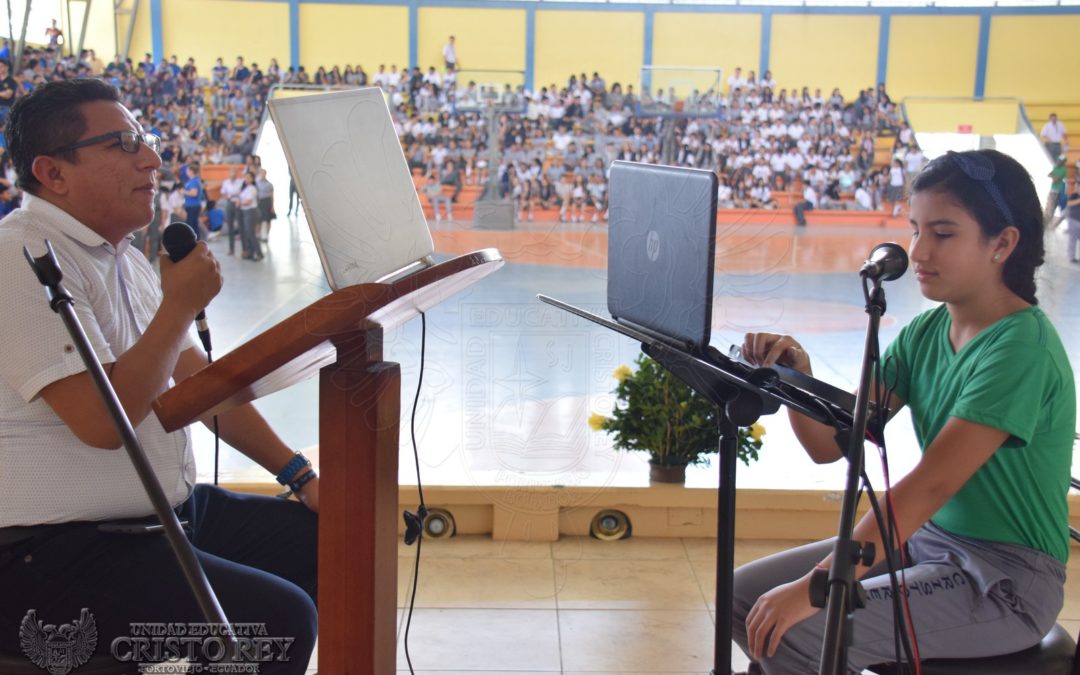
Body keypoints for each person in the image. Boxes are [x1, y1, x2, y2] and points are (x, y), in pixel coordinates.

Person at [0, 79, 316, 673]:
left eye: (146, 140)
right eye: (122, 144)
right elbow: (101, 422)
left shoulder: (123, 259)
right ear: (53, 171)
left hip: (160, 517)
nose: (152, 158)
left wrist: (300, 475)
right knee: (274, 622)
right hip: (53, 550)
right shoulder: (20, 259)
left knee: (326, 540)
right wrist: (178, 309)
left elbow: (205, 392)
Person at [733, 149, 1074, 674]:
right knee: (743, 597)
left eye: (943, 233)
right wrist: (794, 375)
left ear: (1002, 243)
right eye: (915, 230)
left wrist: (818, 586)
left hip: (1003, 578)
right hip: (927, 544)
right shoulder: (926, 333)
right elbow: (832, 445)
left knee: (800, 628)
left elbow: (931, 485)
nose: (917, 251)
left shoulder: (1019, 348)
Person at [1067, 178, 1080, 264]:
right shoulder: (1074, 195)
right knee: (1072, 239)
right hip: (1073, 220)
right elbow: (1069, 203)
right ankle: (1071, 257)